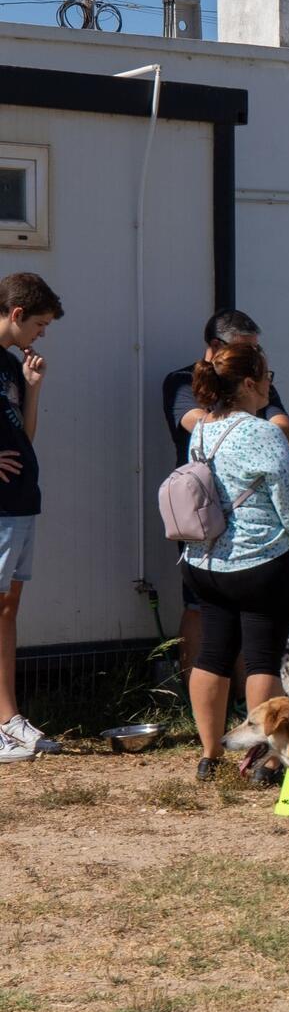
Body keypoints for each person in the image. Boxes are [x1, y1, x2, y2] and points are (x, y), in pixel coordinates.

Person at [181, 343, 289, 783]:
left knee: (212, 656)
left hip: (204, 561)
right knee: (261, 661)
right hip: (258, 560)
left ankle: (209, 754)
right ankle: (264, 759)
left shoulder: (202, 430)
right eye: (268, 376)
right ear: (252, 383)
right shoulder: (262, 432)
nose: (271, 386)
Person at [162, 310, 289, 681]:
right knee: (202, 612)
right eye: (247, 349)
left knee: (249, 626)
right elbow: (195, 425)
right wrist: (256, 430)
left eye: (257, 350)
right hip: (204, 514)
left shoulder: (259, 381)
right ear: (217, 347)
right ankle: (194, 697)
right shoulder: (180, 382)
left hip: (255, 520)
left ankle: (237, 703)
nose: (255, 357)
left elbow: (285, 430)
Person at [0, 273, 63, 761]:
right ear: (16, 314)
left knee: (8, 607)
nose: (41, 334)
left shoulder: (9, 364)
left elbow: (25, 435)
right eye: (39, 324)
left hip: (21, 499)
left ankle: (8, 718)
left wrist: (33, 388)